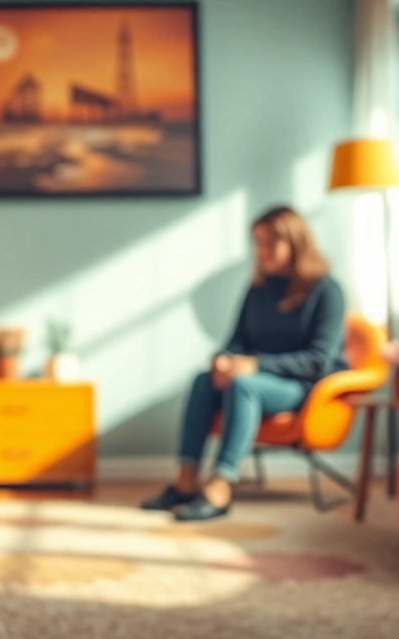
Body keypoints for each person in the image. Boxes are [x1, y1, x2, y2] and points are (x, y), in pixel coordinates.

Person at [143, 205, 347, 521]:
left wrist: (255, 365)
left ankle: (221, 485)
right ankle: (185, 480)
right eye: (257, 242)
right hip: (257, 377)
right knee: (203, 380)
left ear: (294, 242)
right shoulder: (258, 289)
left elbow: (319, 360)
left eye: (269, 243)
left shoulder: (327, 291)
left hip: (302, 387)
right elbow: (237, 340)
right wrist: (223, 360)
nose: (261, 251)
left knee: (243, 386)